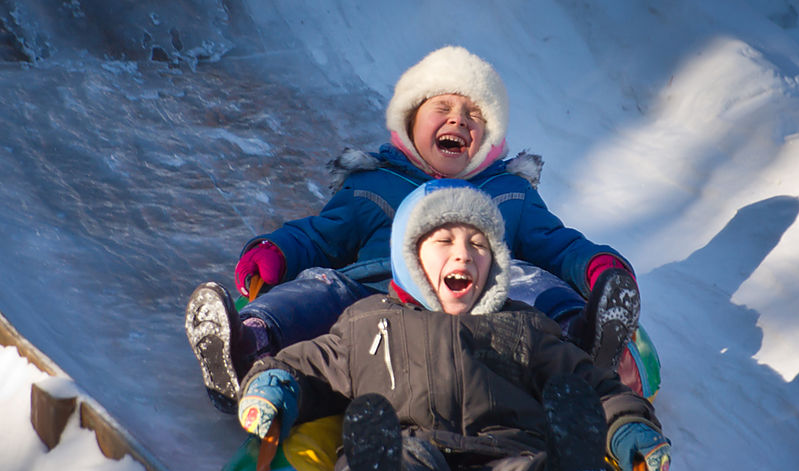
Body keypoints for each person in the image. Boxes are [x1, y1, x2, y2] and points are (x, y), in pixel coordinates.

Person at [186, 46, 641, 413]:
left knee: (531, 280)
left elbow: (556, 246)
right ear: (409, 121)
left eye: (474, 115)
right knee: (322, 288)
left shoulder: (507, 192)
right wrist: (278, 250)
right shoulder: (375, 182)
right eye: (442, 107)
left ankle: (586, 341)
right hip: (378, 293)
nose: (459, 119)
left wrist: (598, 268)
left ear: (490, 138)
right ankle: (249, 342)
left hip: (484, 302)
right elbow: (322, 236)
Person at [235, 180, 670, 471]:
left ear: (496, 262)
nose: (463, 254)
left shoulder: (527, 325)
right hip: (413, 445)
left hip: (508, 453)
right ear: (409, 255)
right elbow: (312, 367)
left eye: (479, 245)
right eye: (443, 240)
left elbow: (591, 385)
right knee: (408, 467)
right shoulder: (367, 322)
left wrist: (628, 424)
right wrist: (276, 384)